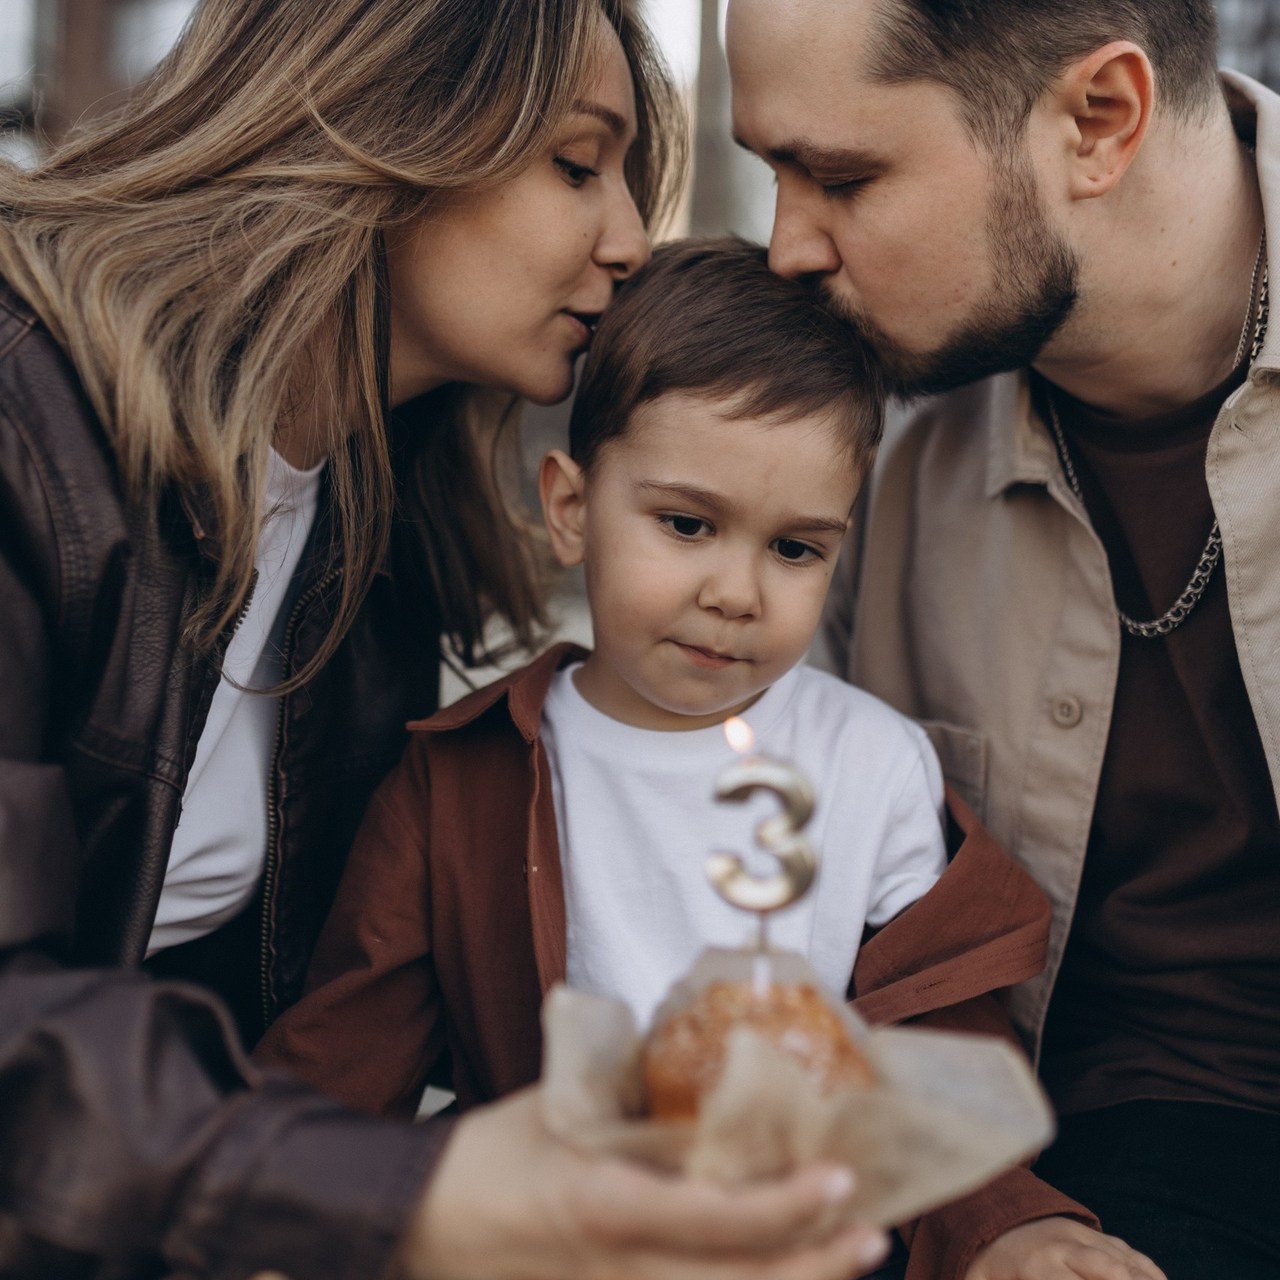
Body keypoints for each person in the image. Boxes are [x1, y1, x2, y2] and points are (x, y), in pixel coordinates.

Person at [0, 3, 894, 1278]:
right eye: (578, 166)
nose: (632, 240)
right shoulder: (23, 414)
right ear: (375, 126)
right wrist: (418, 1192)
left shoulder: (375, 536)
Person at [256, 235, 1059, 1276]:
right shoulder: (463, 778)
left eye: (794, 547)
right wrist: (274, 1227)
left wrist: (1006, 1227)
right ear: (571, 507)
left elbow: (940, 1043)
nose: (736, 590)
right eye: (686, 523)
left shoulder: (871, 764)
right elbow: (340, 1064)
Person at [726, 0, 1280, 1277]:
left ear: (1098, 121)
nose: (785, 249)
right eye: (772, 174)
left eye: (842, 177)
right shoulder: (845, 445)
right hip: (1070, 1168)